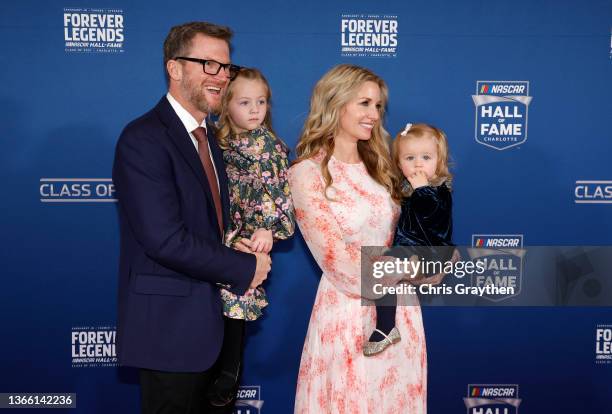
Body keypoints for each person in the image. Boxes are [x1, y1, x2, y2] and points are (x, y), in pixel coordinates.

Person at [112, 21, 271, 414]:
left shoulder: (209, 140)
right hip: (170, 333)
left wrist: (239, 244)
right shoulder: (144, 138)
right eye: (208, 64)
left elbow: (208, 227)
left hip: (215, 332)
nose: (221, 76)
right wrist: (245, 265)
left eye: (226, 67)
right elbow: (164, 239)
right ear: (174, 67)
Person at [289, 64, 427, 413]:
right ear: (335, 103)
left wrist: (431, 258)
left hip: (399, 314)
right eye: (364, 103)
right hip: (347, 314)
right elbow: (339, 261)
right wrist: (413, 268)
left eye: (378, 106)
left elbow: (413, 234)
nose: (374, 115)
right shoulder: (307, 174)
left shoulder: (384, 168)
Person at [205, 68, 295, 406]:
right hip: (217, 237)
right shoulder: (216, 142)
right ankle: (216, 371)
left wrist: (266, 227)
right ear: (226, 105)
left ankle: (230, 372)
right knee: (210, 313)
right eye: (245, 102)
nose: (255, 110)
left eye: (261, 102)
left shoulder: (268, 145)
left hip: (248, 240)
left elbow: (281, 197)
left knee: (236, 303)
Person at [364, 123, 454, 357]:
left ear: (439, 161)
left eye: (426, 157)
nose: (418, 164)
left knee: (384, 267)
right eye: (410, 158)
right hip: (408, 247)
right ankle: (387, 325)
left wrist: (422, 189)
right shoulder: (407, 188)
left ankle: (385, 327)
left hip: (430, 252)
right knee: (381, 269)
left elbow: (433, 215)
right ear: (399, 162)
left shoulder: (439, 191)